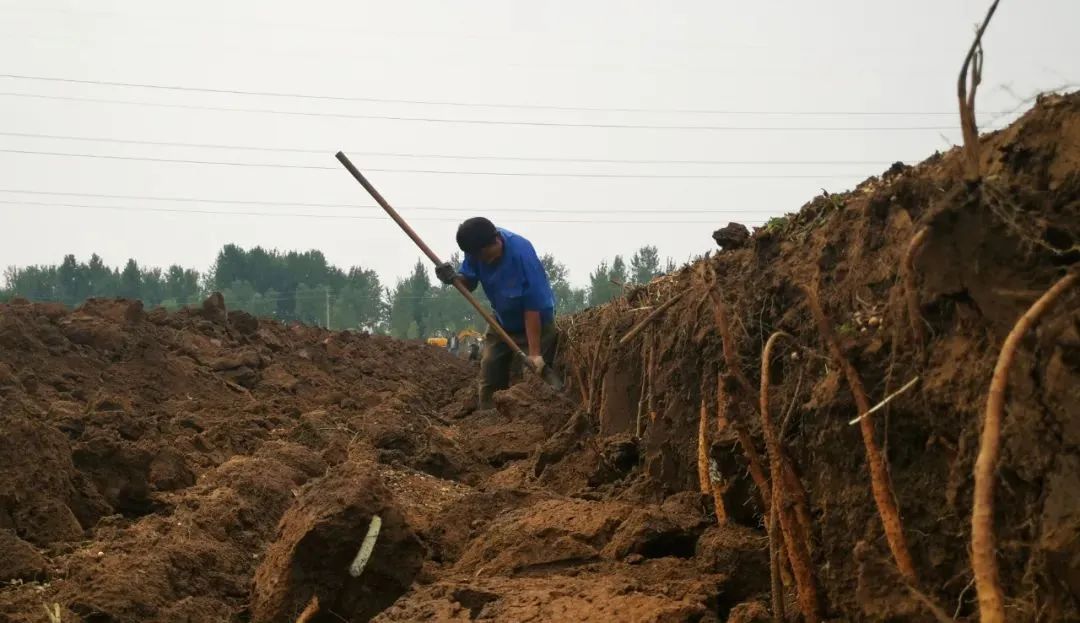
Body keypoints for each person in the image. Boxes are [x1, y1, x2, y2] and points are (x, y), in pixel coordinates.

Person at [436, 217, 557, 409]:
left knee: (535, 379)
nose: (483, 262)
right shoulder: (475, 249)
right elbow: (470, 282)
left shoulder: (521, 254)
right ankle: (487, 420)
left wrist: (534, 354)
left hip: (536, 324)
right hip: (501, 320)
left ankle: (539, 419)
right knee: (490, 370)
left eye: (484, 257)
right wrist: (454, 279)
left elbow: (533, 306)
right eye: (477, 258)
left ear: (495, 242)